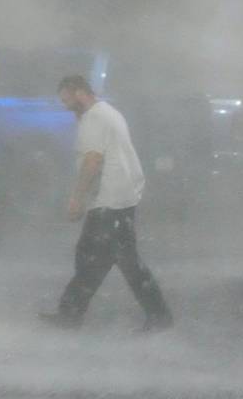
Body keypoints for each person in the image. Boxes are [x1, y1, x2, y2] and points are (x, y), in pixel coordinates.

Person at [38, 75, 173, 332]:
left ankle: (158, 317)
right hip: (120, 198)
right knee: (95, 257)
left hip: (109, 201)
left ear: (79, 92)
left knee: (118, 261)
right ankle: (71, 313)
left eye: (67, 100)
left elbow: (92, 160)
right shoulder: (107, 112)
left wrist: (76, 198)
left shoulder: (95, 118)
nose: (65, 106)